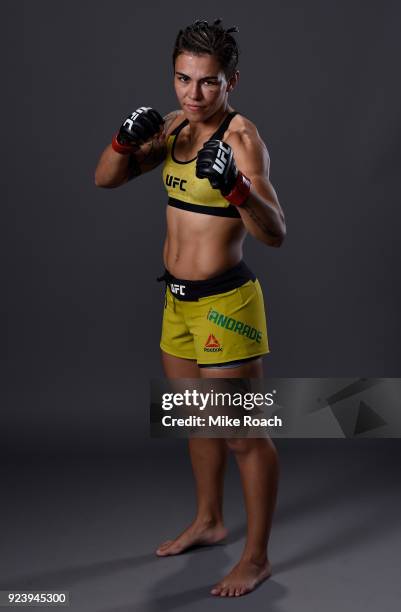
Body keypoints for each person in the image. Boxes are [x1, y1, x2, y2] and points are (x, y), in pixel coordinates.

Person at [95, 18, 286, 598]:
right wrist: (123, 143)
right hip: (176, 304)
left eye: (207, 83)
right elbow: (105, 179)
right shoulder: (176, 128)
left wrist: (238, 189)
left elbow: (275, 232)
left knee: (242, 436)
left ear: (230, 81)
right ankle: (210, 520)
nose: (192, 94)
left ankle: (256, 558)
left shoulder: (242, 138)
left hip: (226, 304)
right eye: (183, 79)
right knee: (193, 421)